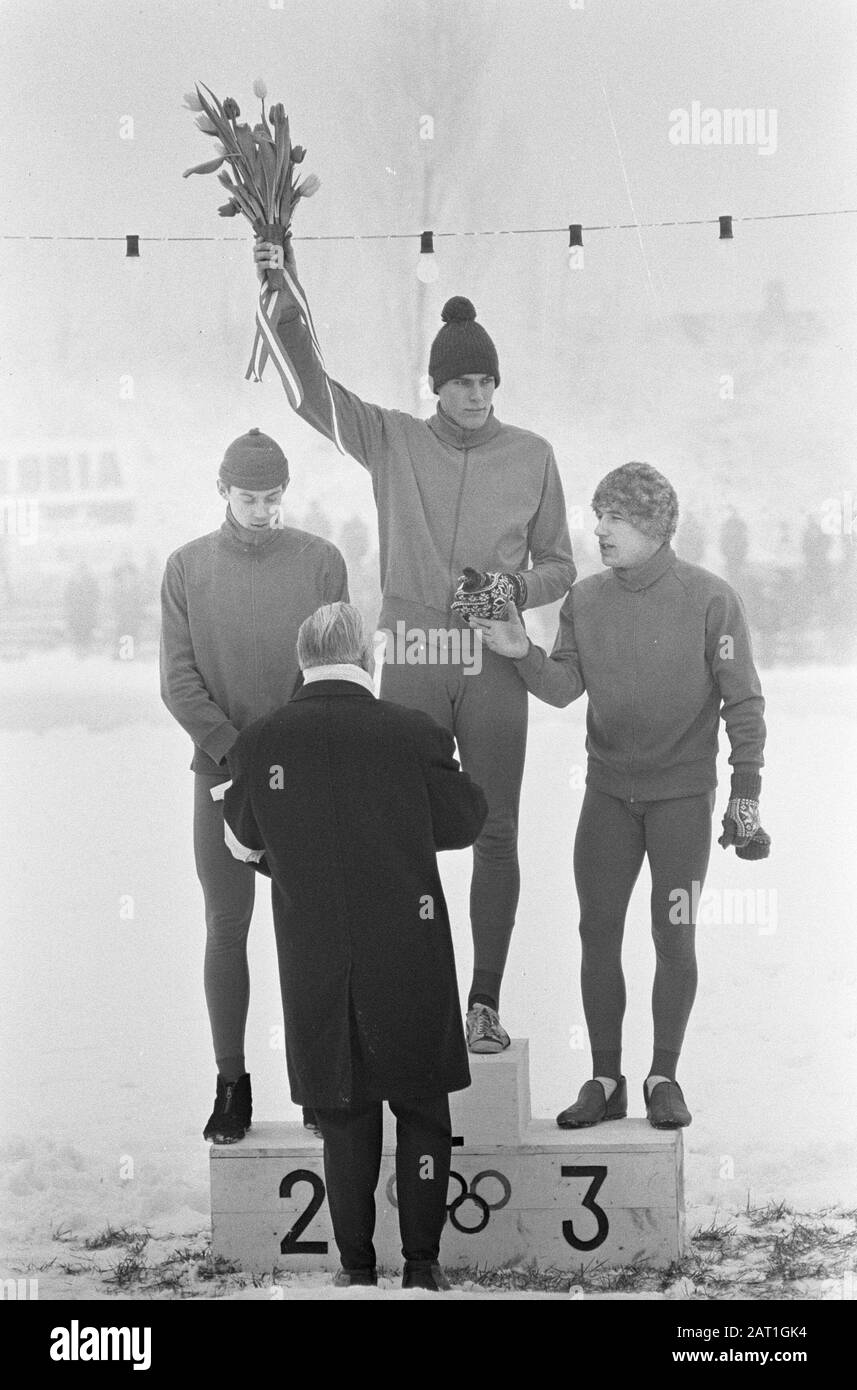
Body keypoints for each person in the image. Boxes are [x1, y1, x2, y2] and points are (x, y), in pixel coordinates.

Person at [251, 236, 576, 1052]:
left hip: (490, 662)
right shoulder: (393, 439)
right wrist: (279, 289)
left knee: (495, 829)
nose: (476, 394)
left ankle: (483, 1003)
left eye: (486, 381)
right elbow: (311, 397)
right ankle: (411, 990)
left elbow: (562, 565)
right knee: (396, 830)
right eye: (462, 381)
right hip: (413, 660)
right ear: (436, 386)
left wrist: (512, 594)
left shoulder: (532, 455)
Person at [471, 463, 770, 1129]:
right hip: (607, 797)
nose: (599, 529)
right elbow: (561, 687)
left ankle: (662, 1073)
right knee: (595, 931)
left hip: (681, 803)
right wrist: (520, 649)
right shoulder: (585, 599)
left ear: (657, 528)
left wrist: (744, 795)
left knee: (674, 934)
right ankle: (605, 1079)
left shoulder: (711, 600)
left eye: (617, 518)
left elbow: (742, 703)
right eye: (598, 514)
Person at [223, 602, 487, 1291]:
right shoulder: (411, 732)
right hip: (408, 943)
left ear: (302, 661)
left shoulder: (260, 741)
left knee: (342, 1109)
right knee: (421, 1105)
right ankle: (423, 1266)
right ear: (367, 662)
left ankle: (355, 1267)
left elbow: (246, 842)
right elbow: (462, 823)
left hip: (314, 952)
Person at [160, 428, 349, 1144]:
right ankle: (231, 1083)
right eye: (249, 497)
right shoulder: (185, 569)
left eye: (273, 497)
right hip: (222, 776)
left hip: (303, 771)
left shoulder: (320, 562)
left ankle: (318, 1082)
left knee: (310, 929)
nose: (263, 510)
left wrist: (292, 751)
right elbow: (178, 680)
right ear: (223, 491)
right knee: (226, 926)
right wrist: (237, 753)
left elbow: (337, 661)